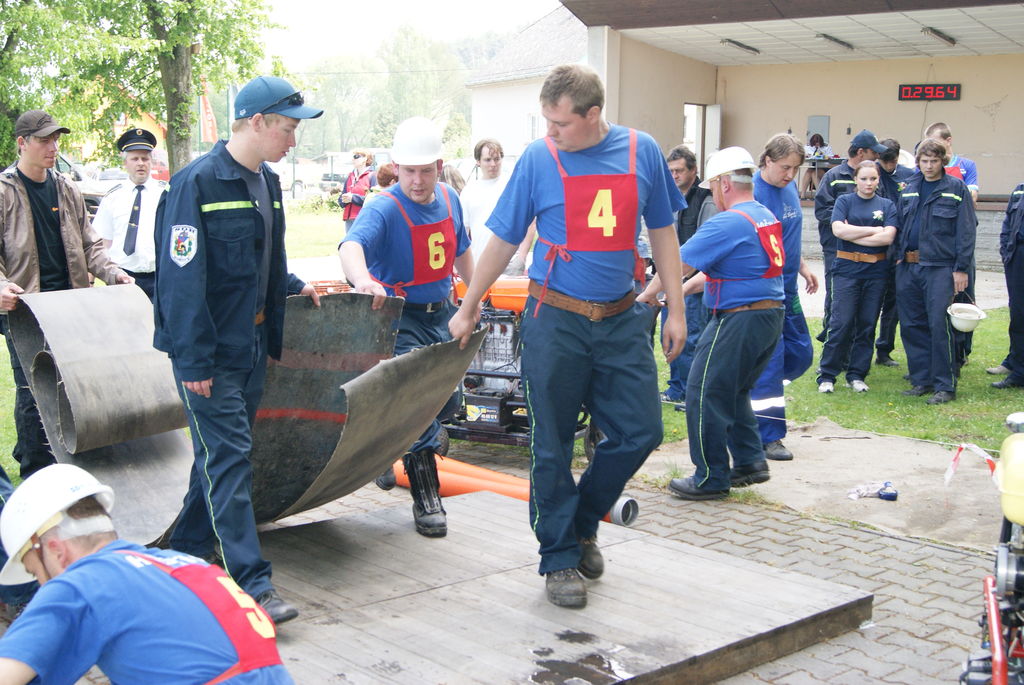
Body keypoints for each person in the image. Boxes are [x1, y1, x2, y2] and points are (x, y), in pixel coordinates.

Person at [449, 64, 685, 609]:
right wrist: (469, 304)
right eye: (545, 121)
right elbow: (502, 239)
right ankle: (558, 557)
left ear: (593, 114)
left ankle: (581, 523)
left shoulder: (642, 152)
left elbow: (664, 232)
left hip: (621, 319)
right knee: (551, 441)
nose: (549, 132)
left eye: (559, 123)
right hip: (554, 319)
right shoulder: (539, 159)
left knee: (641, 430)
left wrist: (676, 308)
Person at [153, 75, 323, 624]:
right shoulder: (196, 184)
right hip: (209, 354)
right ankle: (253, 585)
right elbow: (180, 283)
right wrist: (194, 361)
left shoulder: (266, 181)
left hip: (252, 345)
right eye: (287, 128)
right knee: (230, 458)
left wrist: (294, 285)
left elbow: (262, 257)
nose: (293, 140)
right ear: (255, 122)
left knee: (216, 457)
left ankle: (181, 555)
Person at [0, 464, 293, 684]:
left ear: (55, 550)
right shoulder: (187, 565)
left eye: (35, 571)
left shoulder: (80, 584)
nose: (41, 586)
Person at [340, 116, 474, 539]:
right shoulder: (384, 207)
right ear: (396, 167)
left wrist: (474, 299)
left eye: (425, 171)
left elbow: (462, 251)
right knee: (417, 408)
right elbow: (351, 245)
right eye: (409, 171)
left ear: (439, 166)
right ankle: (427, 499)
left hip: (443, 314)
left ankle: (385, 446)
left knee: (447, 404)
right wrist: (363, 280)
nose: (417, 181)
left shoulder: (451, 199)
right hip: (399, 318)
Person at [643, 146, 784, 500]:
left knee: (702, 391)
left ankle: (710, 476)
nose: (713, 195)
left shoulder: (729, 221)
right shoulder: (763, 216)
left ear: (724, 184)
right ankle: (750, 461)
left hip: (740, 318)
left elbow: (676, 263)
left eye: (713, 187)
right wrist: (681, 290)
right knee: (733, 390)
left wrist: (645, 295)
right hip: (768, 316)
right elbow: (719, 269)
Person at [0, 109, 133, 479]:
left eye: (56, 139)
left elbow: (91, 246)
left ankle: (71, 463)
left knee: (73, 387)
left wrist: (114, 273)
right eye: (44, 140)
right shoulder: (4, 192)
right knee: (33, 392)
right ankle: (36, 472)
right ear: (22, 143)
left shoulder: (67, 188)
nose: (53, 147)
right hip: (25, 312)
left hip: (71, 309)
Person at [747, 134, 816, 462]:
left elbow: (787, 235)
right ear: (767, 161)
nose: (791, 175)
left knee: (801, 354)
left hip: (789, 287)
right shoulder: (753, 193)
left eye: (796, 169)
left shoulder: (788, 188)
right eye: (785, 167)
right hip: (766, 293)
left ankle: (746, 390)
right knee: (770, 365)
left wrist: (802, 266)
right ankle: (769, 436)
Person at [895, 138, 977, 404]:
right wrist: (896, 257)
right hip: (908, 265)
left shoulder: (956, 188)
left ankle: (945, 385)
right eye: (924, 161)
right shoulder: (909, 187)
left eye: (934, 161)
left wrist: (961, 269)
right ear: (918, 162)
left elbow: (966, 230)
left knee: (939, 325)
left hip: (940, 267)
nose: (929, 166)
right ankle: (922, 380)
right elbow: (898, 223)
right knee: (911, 324)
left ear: (943, 161)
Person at [817, 161, 898, 394]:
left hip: (876, 272)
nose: (868, 183)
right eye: (864, 179)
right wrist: (874, 230)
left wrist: (854, 232)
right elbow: (838, 231)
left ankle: (857, 374)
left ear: (878, 180)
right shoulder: (844, 201)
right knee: (841, 323)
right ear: (855, 179)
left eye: (873, 179)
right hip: (846, 270)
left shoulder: (887, 205)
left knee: (867, 324)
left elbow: (888, 238)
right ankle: (827, 375)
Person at [814, 129, 888, 343]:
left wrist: (855, 230)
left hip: (868, 251)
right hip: (837, 250)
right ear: (861, 152)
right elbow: (822, 210)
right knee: (836, 300)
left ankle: (854, 349)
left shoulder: (875, 178)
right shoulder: (833, 176)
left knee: (863, 304)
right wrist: (848, 225)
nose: (877, 156)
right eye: (873, 152)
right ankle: (832, 345)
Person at [659, 144, 717, 408]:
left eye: (679, 171)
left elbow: (706, 245)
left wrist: (683, 278)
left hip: (691, 282)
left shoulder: (706, 200)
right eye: (670, 171)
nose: (674, 176)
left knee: (692, 337)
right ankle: (677, 387)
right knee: (670, 335)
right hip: (669, 277)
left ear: (694, 171)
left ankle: (687, 390)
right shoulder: (669, 197)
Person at [92, 128, 162, 300]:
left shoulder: (165, 194)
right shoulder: (112, 198)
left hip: (159, 277)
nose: (141, 163)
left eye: (145, 158)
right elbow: (101, 242)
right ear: (125, 162)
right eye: (135, 159)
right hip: (123, 277)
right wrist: (90, 280)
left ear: (151, 162)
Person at [460, 138, 534, 275]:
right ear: (478, 161)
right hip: (479, 264)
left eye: (497, 159)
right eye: (488, 160)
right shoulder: (469, 191)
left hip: (510, 263)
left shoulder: (513, 185)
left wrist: (521, 257)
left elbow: (531, 222)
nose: (493, 164)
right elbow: (463, 232)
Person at [873, 138, 916, 367]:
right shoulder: (872, 174)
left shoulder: (909, 176)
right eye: (884, 161)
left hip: (899, 247)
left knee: (894, 302)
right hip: (875, 245)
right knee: (870, 302)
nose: (887, 166)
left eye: (891, 161)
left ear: (898, 158)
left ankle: (884, 350)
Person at [992, 182, 1024, 390]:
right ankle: (1016, 365)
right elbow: (1008, 224)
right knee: (1018, 313)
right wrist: (1006, 251)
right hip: (1017, 256)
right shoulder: (1020, 189)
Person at [924, 122, 979, 203]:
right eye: (927, 143)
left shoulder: (967, 165)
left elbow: (972, 197)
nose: (930, 147)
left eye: (935, 142)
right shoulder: (923, 166)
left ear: (948, 141)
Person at [338, 148, 375, 231]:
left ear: (365, 158)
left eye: (356, 156)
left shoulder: (372, 176)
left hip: (364, 219)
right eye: (353, 157)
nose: (353, 159)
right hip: (349, 220)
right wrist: (343, 199)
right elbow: (341, 199)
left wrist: (353, 198)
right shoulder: (350, 176)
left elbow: (374, 199)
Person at [800, 133, 833, 198]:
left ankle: (819, 194)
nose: (817, 145)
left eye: (818, 143)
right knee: (809, 171)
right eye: (815, 143)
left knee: (814, 173)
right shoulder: (807, 147)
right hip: (814, 167)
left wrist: (824, 156)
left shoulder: (826, 147)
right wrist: (806, 155)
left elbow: (831, 157)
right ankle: (802, 194)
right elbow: (802, 154)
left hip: (824, 168)